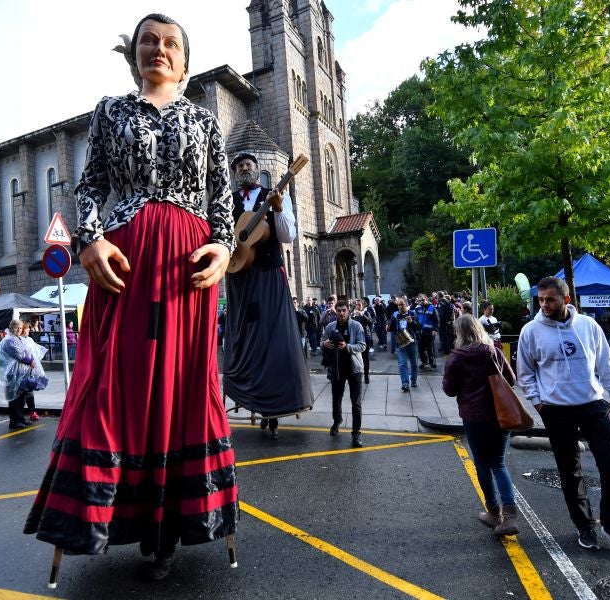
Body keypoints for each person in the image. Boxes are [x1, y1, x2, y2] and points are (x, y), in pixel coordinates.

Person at [24, 13, 238, 581]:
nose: (158, 50)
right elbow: (90, 184)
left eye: (170, 44)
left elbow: (222, 201)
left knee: (180, 390)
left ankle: (166, 529)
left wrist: (222, 248)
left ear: (185, 63)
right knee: (114, 387)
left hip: (185, 273)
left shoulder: (205, 121)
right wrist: (87, 242)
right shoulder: (110, 111)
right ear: (136, 53)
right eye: (148, 41)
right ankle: (102, 518)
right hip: (122, 262)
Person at [518, 277, 610, 556]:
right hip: (555, 410)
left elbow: (605, 363)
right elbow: (525, 372)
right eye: (541, 300)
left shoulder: (588, 326)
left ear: (566, 300)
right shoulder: (531, 331)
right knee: (570, 471)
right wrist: (538, 404)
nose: (544, 305)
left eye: (550, 299)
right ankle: (585, 526)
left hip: (593, 404)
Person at [223, 150, 313, 441]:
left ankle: (273, 411)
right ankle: (249, 399)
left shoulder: (276, 195)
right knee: (245, 340)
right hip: (239, 278)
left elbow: (288, 236)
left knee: (274, 343)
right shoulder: (228, 202)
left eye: (248, 164)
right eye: (239, 166)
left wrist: (276, 210)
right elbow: (221, 236)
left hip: (269, 276)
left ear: (258, 169)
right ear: (235, 173)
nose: (244, 169)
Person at [442, 314, 518, 536]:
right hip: (500, 415)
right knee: (499, 464)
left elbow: (449, 390)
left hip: (475, 417)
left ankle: (493, 513)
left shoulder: (456, 358)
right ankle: (510, 515)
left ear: (460, 334)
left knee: (483, 464)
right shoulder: (493, 350)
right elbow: (511, 379)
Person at [322, 299, 367, 447]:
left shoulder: (356, 326)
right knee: (336, 399)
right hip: (337, 368)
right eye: (339, 311)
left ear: (348, 311)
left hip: (354, 369)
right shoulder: (330, 327)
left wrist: (347, 347)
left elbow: (362, 346)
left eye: (344, 310)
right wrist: (324, 344)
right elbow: (322, 341)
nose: (341, 313)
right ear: (336, 311)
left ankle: (356, 433)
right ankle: (337, 421)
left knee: (356, 403)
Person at [0, 319, 36, 430]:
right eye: (16, 327)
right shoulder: (9, 340)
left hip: (20, 373)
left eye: (20, 328)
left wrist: (31, 359)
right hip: (12, 374)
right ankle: (15, 421)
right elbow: (18, 354)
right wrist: (30, 361)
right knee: (14, 398)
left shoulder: (18, 338)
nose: (18, 330)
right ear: (11, 328)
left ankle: (20, 418)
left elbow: (27, 351)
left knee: (21, 397)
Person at [389, 298, 420, 392]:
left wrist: (412, 322)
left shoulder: (412, 313)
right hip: (401, 342)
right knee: (402, 363)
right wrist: (388, 327)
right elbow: (392, 328)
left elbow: (418, 327)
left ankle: (413, 380)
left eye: (402, 304)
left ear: (406, 304)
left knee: (414, 363)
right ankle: (405, 383)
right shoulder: (395, 315)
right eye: (399, 305)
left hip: (412, 342)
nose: (400, 307)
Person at [19, 320, 45, 421]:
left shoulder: (29, 339)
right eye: (27, 328)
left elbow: (35, 350)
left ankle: (32, 411)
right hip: (22, 369)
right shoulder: (19, 340)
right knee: (23, 392)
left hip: (31, 368)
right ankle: (22, 414)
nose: (29, 330)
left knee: (29, 391)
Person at [352, 299, 373, 384]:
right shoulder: (353, 314)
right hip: (355, 339)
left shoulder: (366, 313)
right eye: (357, 305)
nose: (358, 306)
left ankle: (366, 375)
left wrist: (363, 315)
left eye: (360, 305)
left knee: (365, 358)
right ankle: (357, 375)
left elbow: (370, 322)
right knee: (355, 357)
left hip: (365, 338)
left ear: (363, 306)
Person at [415, 294, 439, 370]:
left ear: (426, 299)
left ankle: (432, 363)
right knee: (420, 348)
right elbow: (411, 312)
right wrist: (415, 303)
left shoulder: (432, 308)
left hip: (429, 331)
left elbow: (436, 319)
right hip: (420, 331)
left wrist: (435, 329)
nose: (421, 301)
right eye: (420, 300)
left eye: (422, 300)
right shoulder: (418, 308)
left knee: (430, 348)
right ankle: (424, 362)